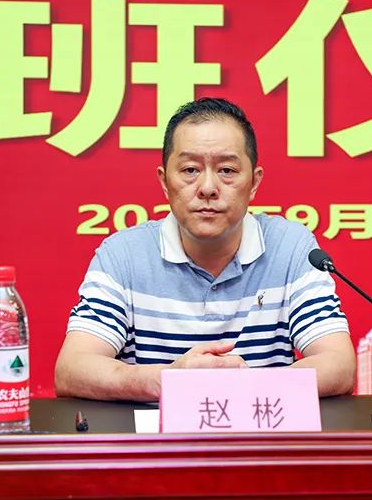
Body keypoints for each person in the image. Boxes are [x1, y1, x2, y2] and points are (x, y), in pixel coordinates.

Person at [54, 98, 355, 401]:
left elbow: (339, 364)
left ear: (254, 182)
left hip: (260, 428)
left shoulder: (291, 247)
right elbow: (73, 368)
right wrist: (168, 381)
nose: (208, 187)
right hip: (156, 432)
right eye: (190, 169)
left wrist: (249, 388)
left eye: (226, 170)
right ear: (164, 182)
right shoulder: (123, 255)